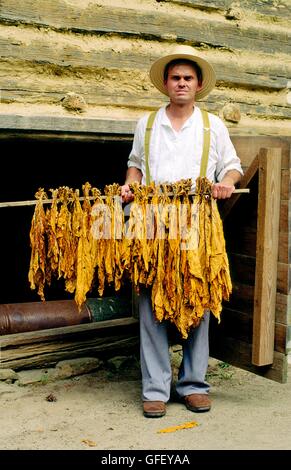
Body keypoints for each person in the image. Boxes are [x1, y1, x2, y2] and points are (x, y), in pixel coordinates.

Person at [121, 44, 243, 418]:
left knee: (199, 301)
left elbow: (233, 167)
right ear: (165, 83)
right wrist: (129, 186)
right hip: (154, 220)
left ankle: (193, 385)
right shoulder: (147, 124)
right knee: (151, 304)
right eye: (175, 77)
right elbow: (135, 166)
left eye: (188, 77)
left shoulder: (212, 126)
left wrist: (226, 183)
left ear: (198, 83)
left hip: (198, 221)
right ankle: (155, 389)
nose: (181, 83)